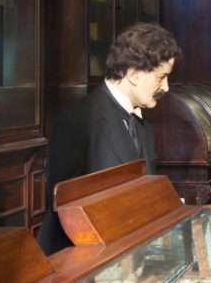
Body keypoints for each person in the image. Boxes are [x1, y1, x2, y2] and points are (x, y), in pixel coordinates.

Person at [37, 22, 181, 255]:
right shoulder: (76, 120)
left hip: (124, 252)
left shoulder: (142, 124)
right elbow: (65, 208)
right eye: (161, 77)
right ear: (133, 75)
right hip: (82, 259)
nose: (165, 87)